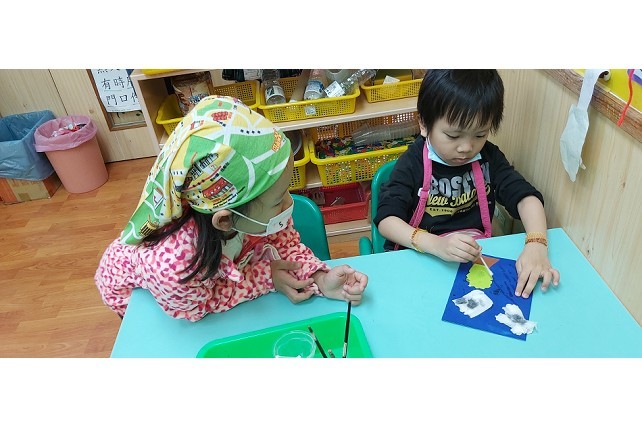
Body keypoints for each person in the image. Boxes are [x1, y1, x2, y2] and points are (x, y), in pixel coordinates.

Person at [95, 95, 367, 321]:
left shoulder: (245, 209)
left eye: (286, 191)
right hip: (141, 297)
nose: (289, 203)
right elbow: (202, 305)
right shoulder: (175, 267)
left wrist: (319, 277)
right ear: (225, 220)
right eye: (278, 200)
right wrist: (267, 277)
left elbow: (285, 243)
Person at [374, 70, 559, 299]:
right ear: (424, 124)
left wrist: (536, 243)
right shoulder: (412, 163)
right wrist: (437, 245)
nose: (466, 148)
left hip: (471, 259)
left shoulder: (489, 158)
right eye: (453, 136)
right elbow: (387, 221)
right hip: (419, 255)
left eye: (480, 135)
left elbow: (526, 198)